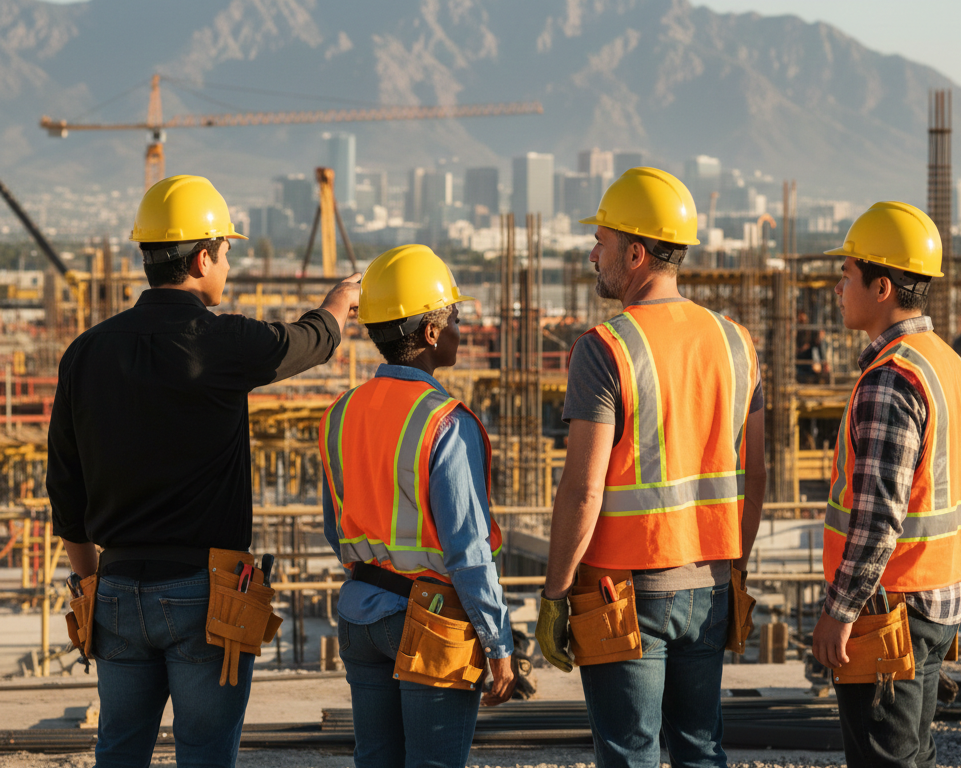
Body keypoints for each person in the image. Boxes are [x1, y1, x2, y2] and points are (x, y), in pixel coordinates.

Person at [46, 175, 361, 768]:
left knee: (118, 749)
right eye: (225, 253)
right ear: (200, 258)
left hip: (113, 588)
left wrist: (89, 584)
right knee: (207, 753)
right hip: (203, 594)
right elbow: (307, 342)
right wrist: (339, 304)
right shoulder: (222, 340)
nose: (227, 266)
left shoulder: (85, 352)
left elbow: (65, 486)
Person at [536, 167, 767, 768]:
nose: (592, 254)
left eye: (603, 243)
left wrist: (556, 593)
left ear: (635, 253)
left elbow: (583, 491)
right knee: (700, 749)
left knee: (628, 753)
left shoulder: (605, 347)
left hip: (625, 595)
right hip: (711, 584)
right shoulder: (737, 342)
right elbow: (755, 476)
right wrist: (733, 565)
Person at [319, 244, 516, 768]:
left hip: (360, 612)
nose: (459, 329)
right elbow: (468, 551)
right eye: (454, 317)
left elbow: (335, 528)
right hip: (431, 621)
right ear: (431, 333)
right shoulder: (445, 422)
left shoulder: (341, 414)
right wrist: (499, 644)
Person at [812, 202, 961, 768]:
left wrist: (839, 610)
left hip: (890, 610)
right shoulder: (949, 365)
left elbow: (878, 517)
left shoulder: (892, 378)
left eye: (847, 275)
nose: (838, 287)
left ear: (881, 286)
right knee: (914, 757)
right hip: (940, 604)